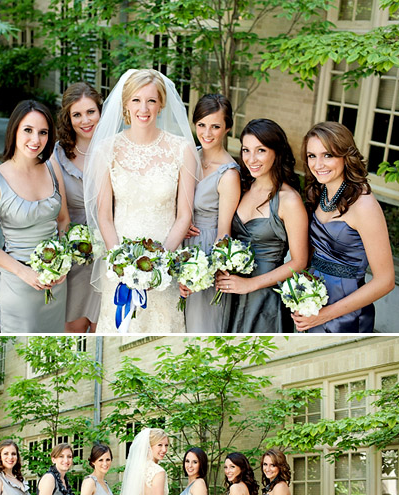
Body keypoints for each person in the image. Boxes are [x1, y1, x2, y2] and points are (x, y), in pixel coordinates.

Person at [84, 68, 199, 333]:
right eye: (136, 100)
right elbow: (104, 215)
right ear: (125, 104)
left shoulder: (181, 149)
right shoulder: (106, 149)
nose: (143, 108)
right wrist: (121, 266)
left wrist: (159, 264)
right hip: (119, 266)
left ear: (161, 104)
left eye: (151, 100)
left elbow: (184, 215)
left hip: (164, 267)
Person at [0, 100, 70, 333]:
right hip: (18, 284)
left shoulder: (52, 168)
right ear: (14, 130)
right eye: (28, 130)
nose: (35, 140)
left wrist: (63, 265)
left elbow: (64, 220)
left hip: (56, 283)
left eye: (43, 132)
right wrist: (23, 272)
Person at [293, 121, 395, 333]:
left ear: (345, 156)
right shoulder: (320, 194)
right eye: (312, 156)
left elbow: (385, 281)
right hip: (313, 300)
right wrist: (298, 293)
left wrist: (325, 315)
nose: (318, 164)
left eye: (327, 155)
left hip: (346, 312)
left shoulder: (364, 205)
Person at [215, 118, 308, 333]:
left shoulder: (289, 200)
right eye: (246, 150)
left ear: (276, 152)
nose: (251, 159)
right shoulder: (243, 186)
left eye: (261, 151)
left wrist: (250, 285)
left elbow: (300, 261)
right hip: (232, 292)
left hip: (265, 299)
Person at [180, 94, 241, 333]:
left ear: (227, 128)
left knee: (199, 325)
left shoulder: (229, 174)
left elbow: (224, 232)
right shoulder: (189, 156)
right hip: (181, 245)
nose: (207, 133)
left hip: (205, 253)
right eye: (201, 125)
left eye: (215, 126)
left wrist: (202, 273)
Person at [54, 82, 102, 333]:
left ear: (101, 111)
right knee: (73, 329)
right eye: (77, 114)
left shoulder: (117, 149)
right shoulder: (57, 155)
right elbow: (58, 214)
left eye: (90, 112)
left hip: (110, 254)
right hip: (74, 255)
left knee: (103, 328)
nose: (85, 120)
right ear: (68, 118)